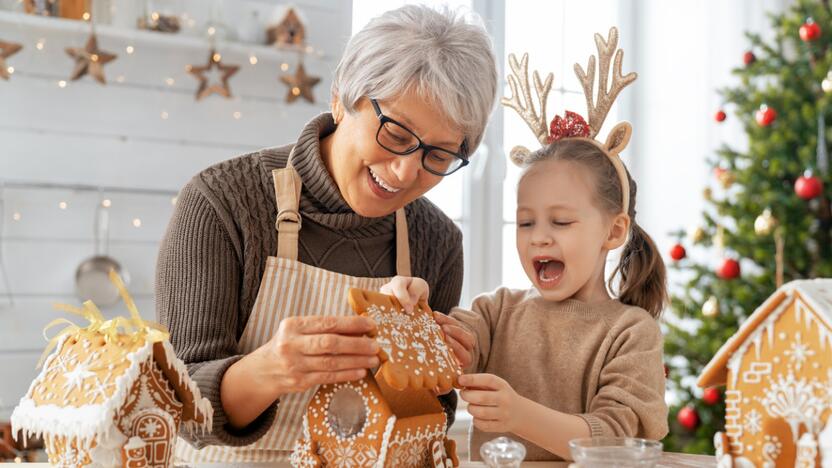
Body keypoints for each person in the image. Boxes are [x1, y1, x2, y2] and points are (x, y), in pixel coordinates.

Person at [155, 5, 497, 462]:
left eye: (438, 155)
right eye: (396, 132)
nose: (405, 171)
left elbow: (429, 421)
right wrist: (272, 369)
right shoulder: (222, 204)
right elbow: (178, 406)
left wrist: (433, 370)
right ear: (341, 98)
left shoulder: (436, 239)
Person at [381, 27, 668, 461]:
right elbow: (450, 350)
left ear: (613, 231)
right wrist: (418, 312)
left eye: (562, 221)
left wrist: (517, 414)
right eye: (525, 222)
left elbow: (614, 442)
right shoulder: (496, 313)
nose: (540, 237)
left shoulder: (630, 333)